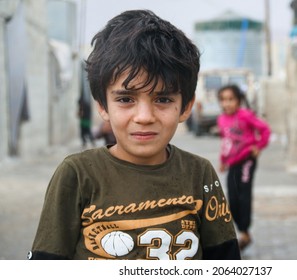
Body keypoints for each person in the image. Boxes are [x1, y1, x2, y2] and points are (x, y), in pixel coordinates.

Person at [28, 10, 240, 260]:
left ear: (185, 107)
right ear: (102, 106)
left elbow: (226, 263)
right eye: (126, 99)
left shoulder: (199, 174)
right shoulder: (77, 174)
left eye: (162, 99)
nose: (144, 116)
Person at [217, 84, 271, 251]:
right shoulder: (222, 120)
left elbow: (265, 130)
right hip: (233, 163)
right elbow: (227, 142)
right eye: (223, 100)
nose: (227, 103)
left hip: (247, 160)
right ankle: (244, 232)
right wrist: (223, 160)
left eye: (231, 99)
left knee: (244, 196)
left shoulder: (245, 115)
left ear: (239, 100)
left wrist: (259, 146)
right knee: (232, 198)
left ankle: (245, 231)